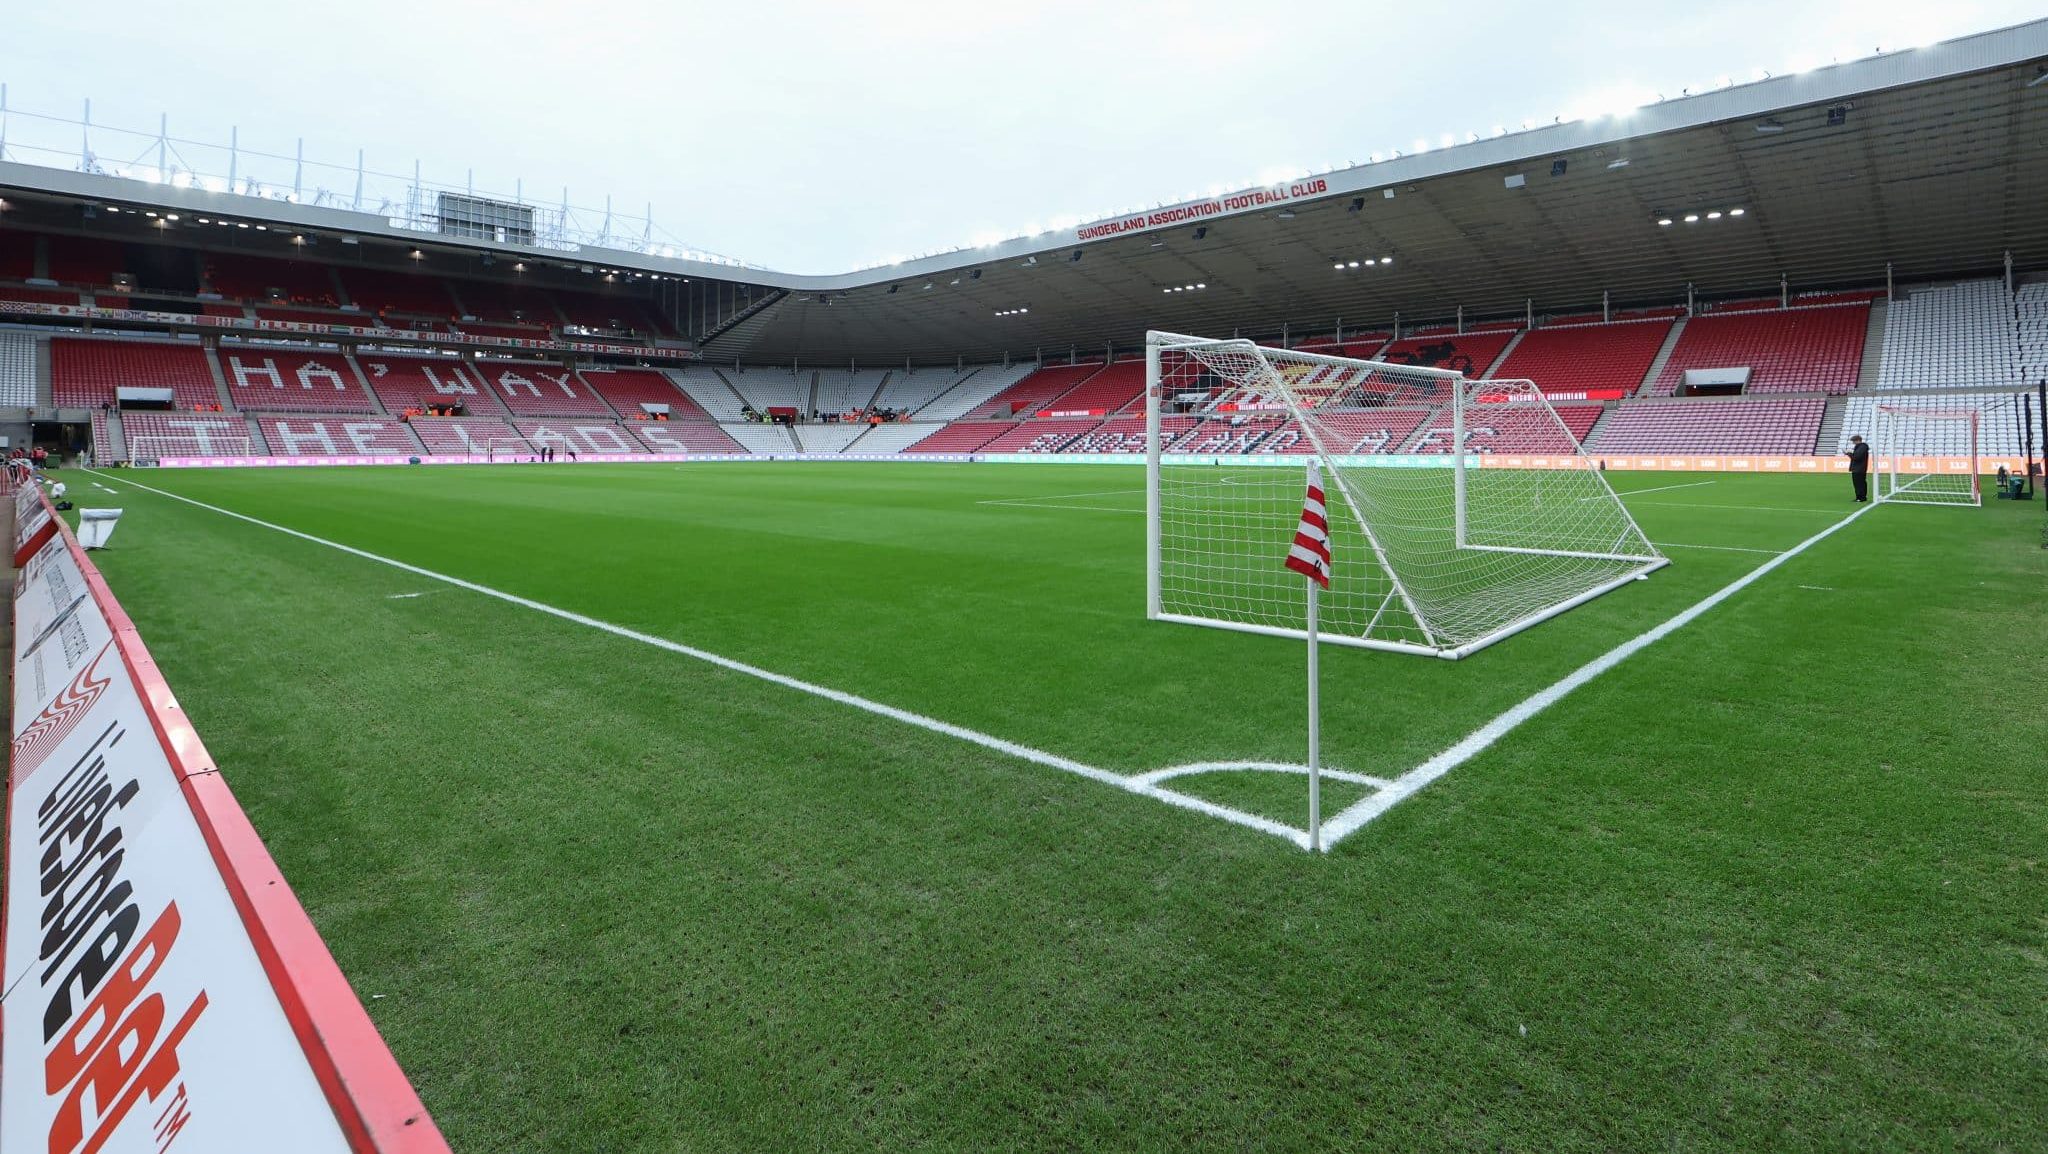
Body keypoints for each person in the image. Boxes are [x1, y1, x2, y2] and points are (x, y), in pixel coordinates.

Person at [1845, 434, 1871, 502]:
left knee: (1859, 484)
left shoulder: (1862, 447)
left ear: (1858, 440)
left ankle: (1860, 498)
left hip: (1859, 469)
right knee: (1860, 483)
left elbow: (1857, 457)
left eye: (1854, 441)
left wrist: (1849, 454)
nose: (1853, 443)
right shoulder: (1861, 447)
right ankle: (1861, 497)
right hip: (1859, 468)